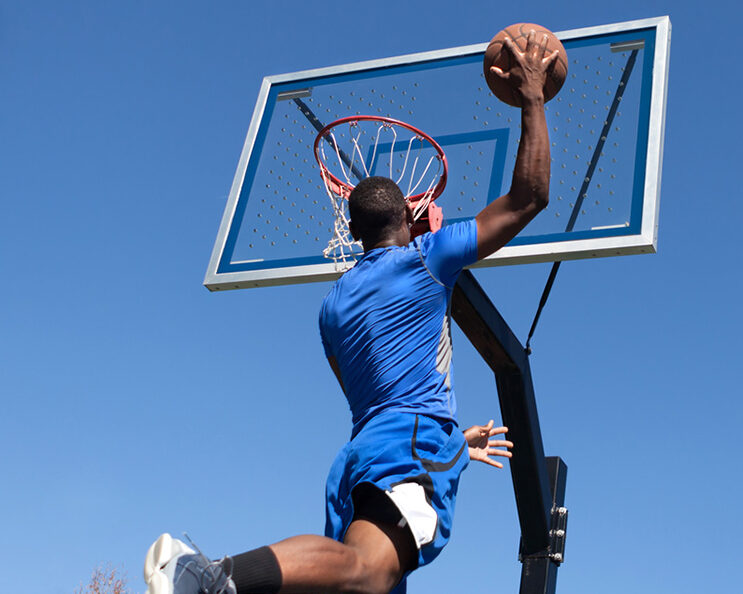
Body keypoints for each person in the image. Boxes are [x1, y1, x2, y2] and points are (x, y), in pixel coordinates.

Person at [144, 30, 557, 594]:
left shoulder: (333, 308)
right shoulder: (427, 257)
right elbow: (529, 196)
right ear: (412, 217)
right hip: (409, 442)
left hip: (361, 456)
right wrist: (532, 96)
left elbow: (381, 396)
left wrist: (459, 440)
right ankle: (213, 577)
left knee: (360, 578)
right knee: (367, 570)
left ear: (352, 230)